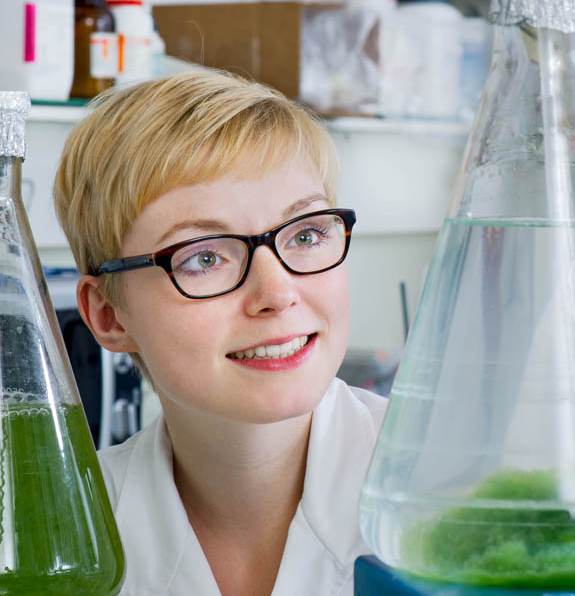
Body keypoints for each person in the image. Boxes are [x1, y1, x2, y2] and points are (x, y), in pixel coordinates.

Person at [53, 71, 386, 596]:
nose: (277, 292)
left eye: (306, 233)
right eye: (203, 257)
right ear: (109, 316)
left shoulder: (456, 489)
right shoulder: (58, 531)